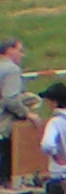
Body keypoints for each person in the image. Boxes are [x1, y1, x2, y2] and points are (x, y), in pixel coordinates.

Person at [0, 38, 31, 186]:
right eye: (20, 50)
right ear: (9, 50)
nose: (22, 55)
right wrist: (27, 113)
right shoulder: (11, 70)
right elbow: (10, 99)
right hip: (4, 127)